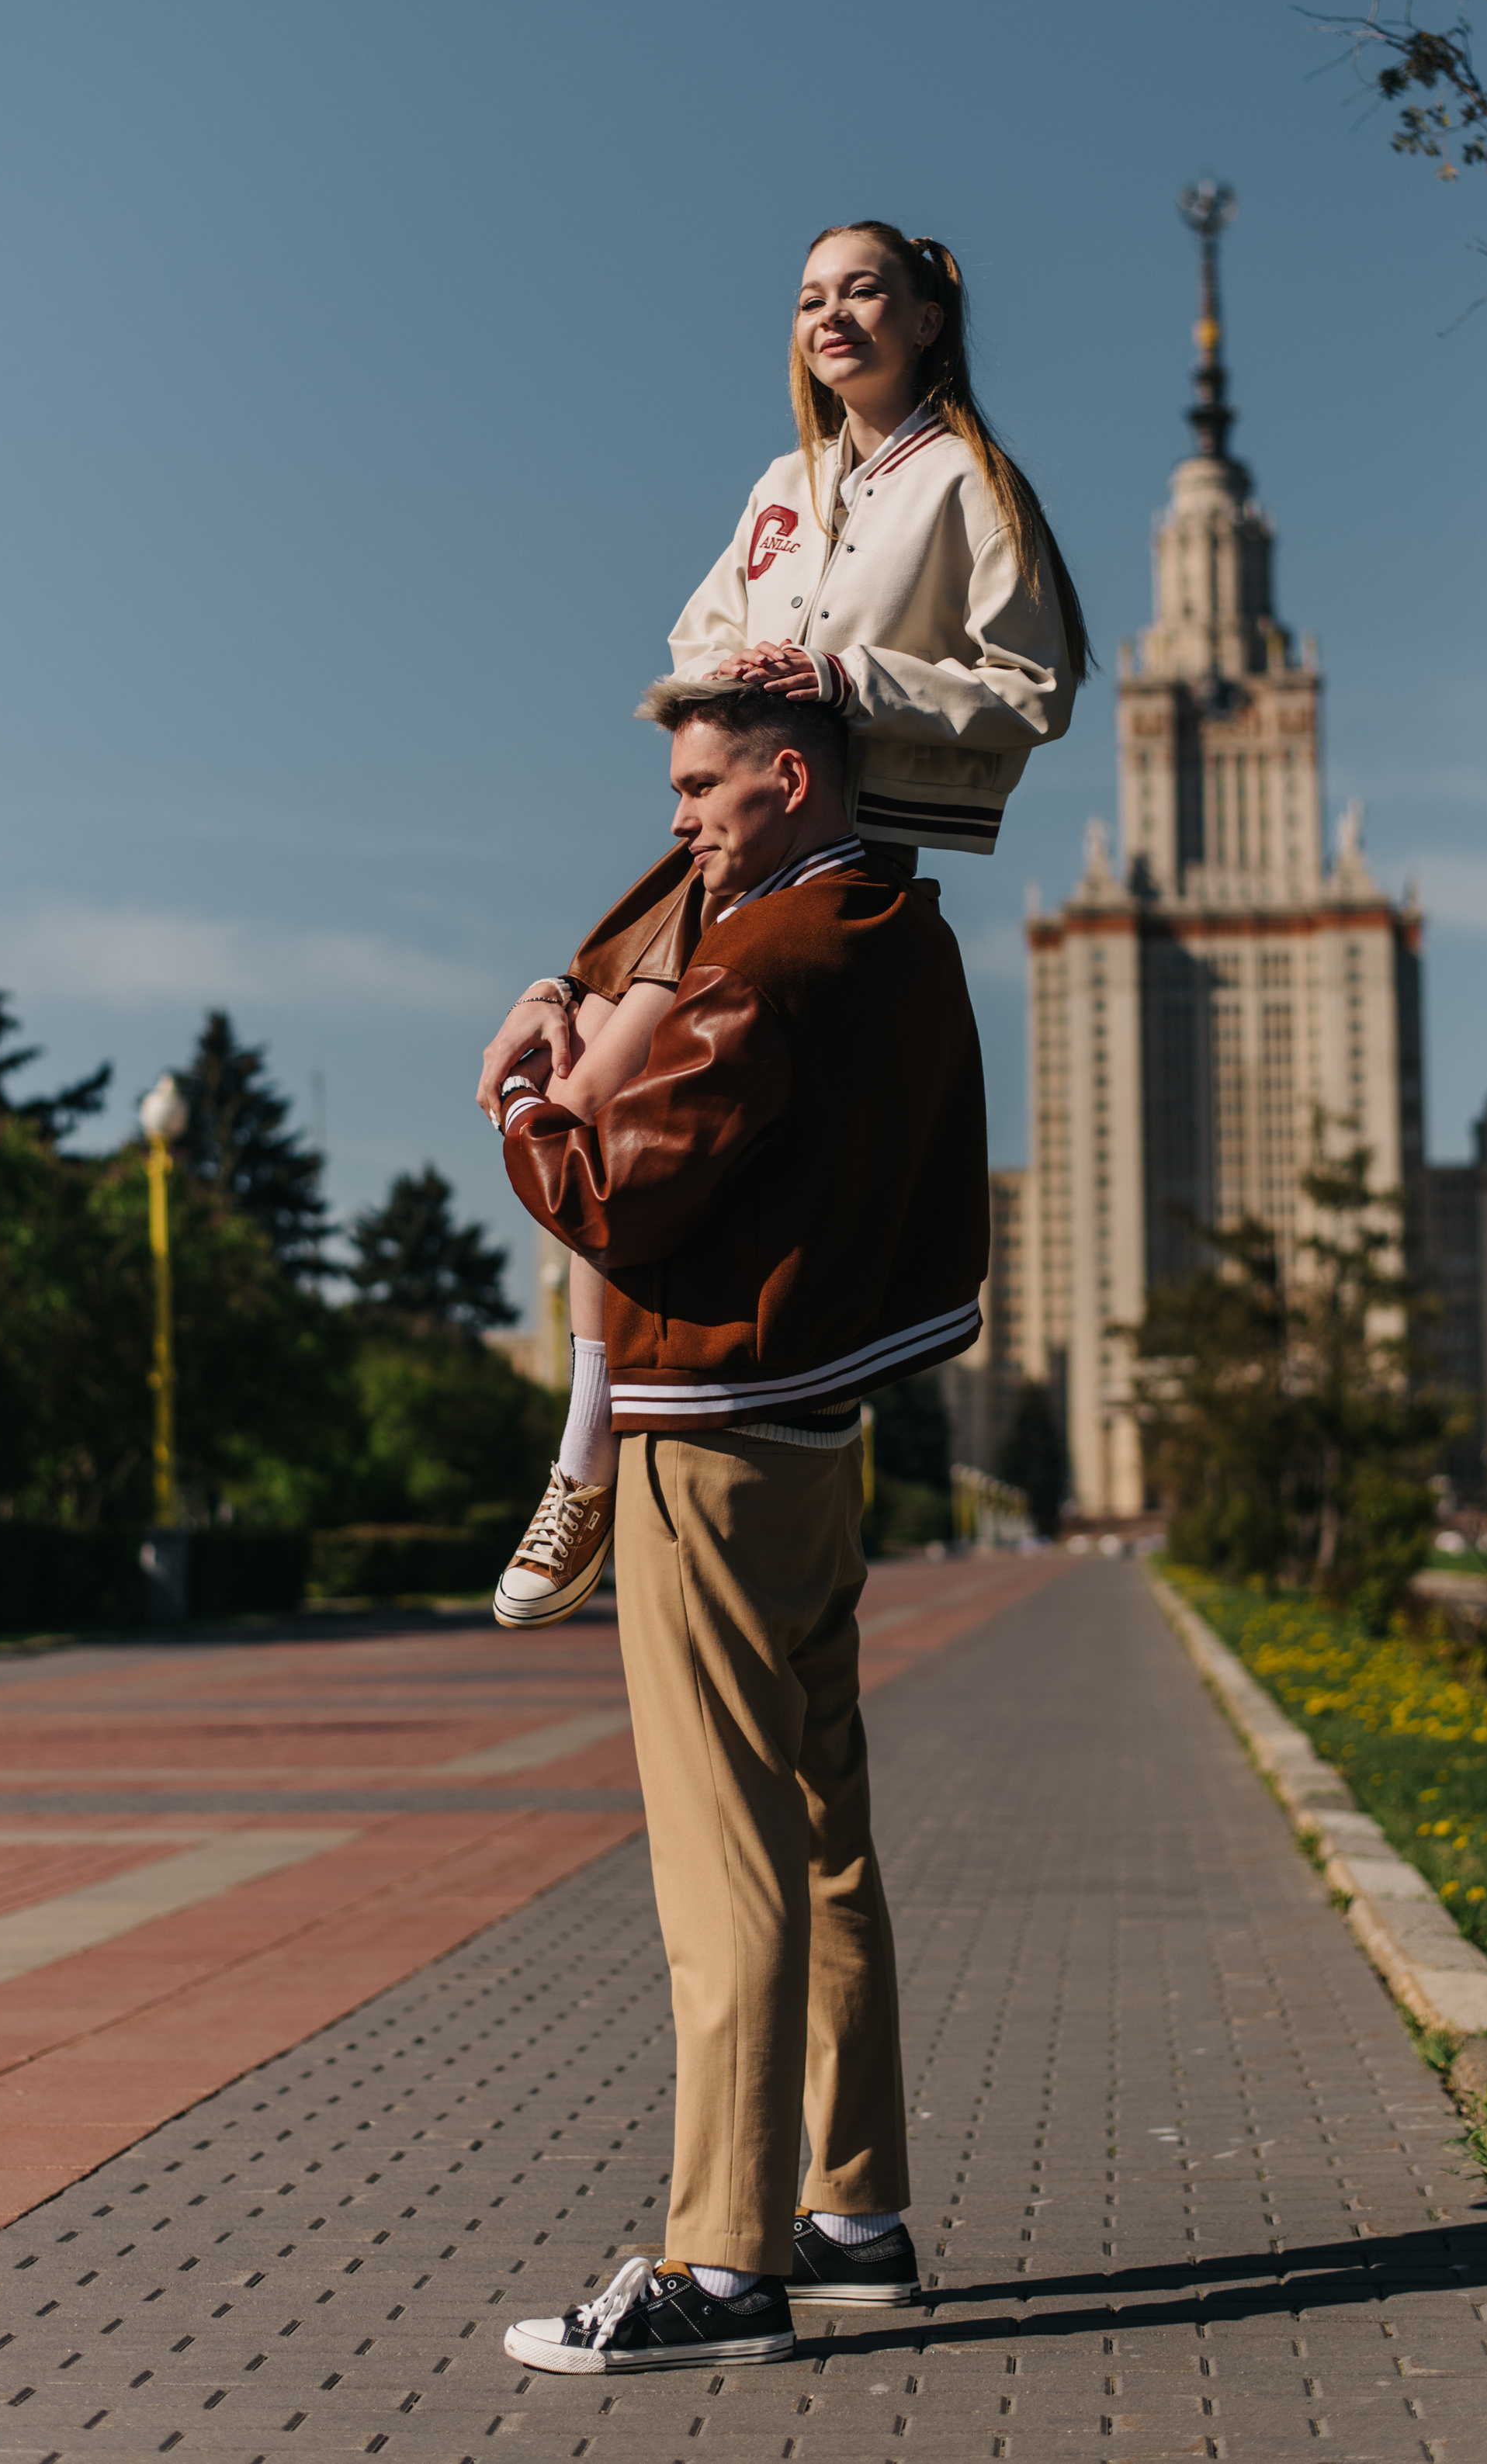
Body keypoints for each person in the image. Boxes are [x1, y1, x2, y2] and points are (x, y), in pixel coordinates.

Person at [479, 221, 1090, 1629]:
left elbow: (1037, 686)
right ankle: (583, 1452)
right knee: (588, 1097)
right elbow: (695, 638)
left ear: (929, 318)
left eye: (866, 289)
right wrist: (739, 686)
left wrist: (846, 678)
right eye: (812, 296)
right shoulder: (784, 482)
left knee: (661, 1114)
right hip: (736, 827)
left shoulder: (972, 483)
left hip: (840, 843)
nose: (834, 315)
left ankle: (601, 1450)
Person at [490, 679, 987, 2373]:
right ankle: (854, 2215)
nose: (679, 819)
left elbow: (606, 1193)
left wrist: (525, 1096)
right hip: (818, 1434)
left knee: (724, 1864)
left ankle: (720, 2266)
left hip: (701, 1441)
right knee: (824, 1831)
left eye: (703, 788)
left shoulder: (760, 969)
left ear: (789, 778)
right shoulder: (900, 932)